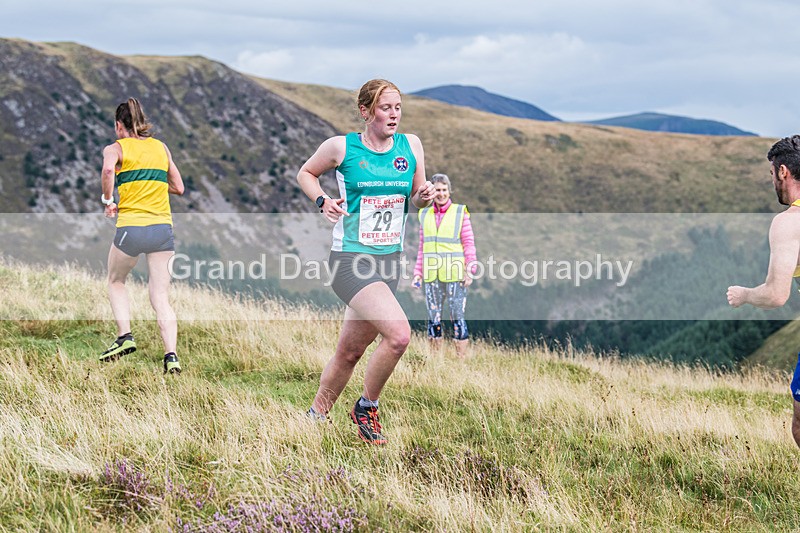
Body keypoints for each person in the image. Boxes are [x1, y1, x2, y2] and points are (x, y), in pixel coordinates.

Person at [297, 79, 435, 445]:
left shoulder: (411, 146)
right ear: (366, 111)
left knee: (350, 352)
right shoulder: (342, 147)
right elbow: (305, 173)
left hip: (389, 262)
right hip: (350, 260)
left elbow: (417, 199)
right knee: (399, 336)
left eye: (398, 108)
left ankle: (313, 419)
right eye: (386, 108)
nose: (394, 115)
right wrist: (322, 201)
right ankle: (366, 406)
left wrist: (426, 195)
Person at [99, 97, 185, 374]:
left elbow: (109, 169)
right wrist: (153, 183)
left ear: (118, 125)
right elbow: (179, 187)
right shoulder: (161, 148)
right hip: (162, 229)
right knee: (160, 294)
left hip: (132, 227)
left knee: (116, 280)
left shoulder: (115, 148)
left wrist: (108, 198)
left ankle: (125, 337)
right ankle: (171, 355)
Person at [727, 134, 800, 448]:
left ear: (783, 172)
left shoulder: (789, 222)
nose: (772, 181)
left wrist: (744, 295)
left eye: (772, 174)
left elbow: (775, 295)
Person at [412, 173, 477, 359]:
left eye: (444, 190)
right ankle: (435, 360)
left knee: (457, 316)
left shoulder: (459, 212)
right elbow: (422, 246)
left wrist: (470, 270)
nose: (441, 194)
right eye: (437, 190)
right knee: (434, 317)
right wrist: (418, 273)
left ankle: (460, 360)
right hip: (431, 274)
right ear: (432, 192)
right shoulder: (424, 214)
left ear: (449, 191)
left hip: (456, 273)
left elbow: (469, 243)